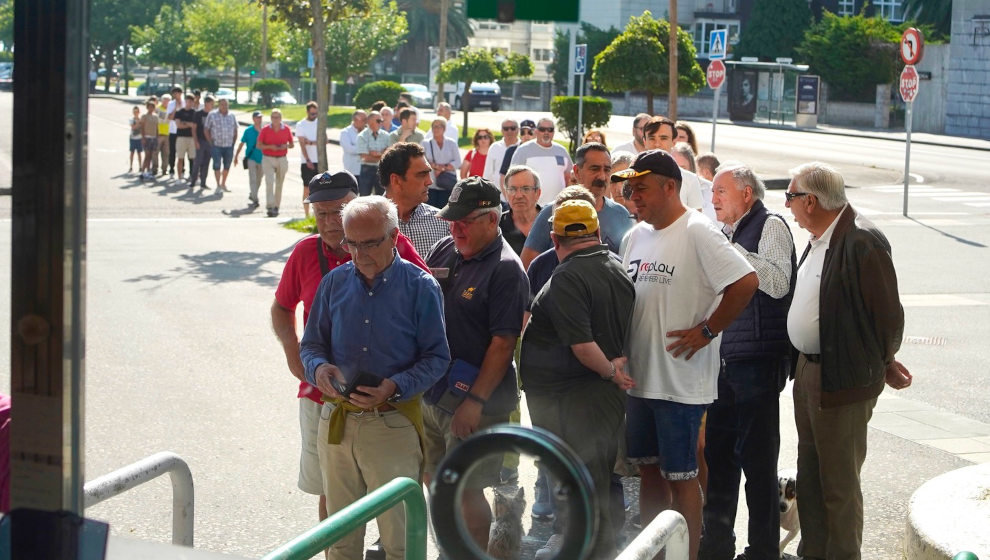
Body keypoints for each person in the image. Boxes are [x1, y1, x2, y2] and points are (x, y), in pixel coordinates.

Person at [273, 173, 431, 554]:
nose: (328, 221)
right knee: (334, 499)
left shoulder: (400, 255)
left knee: (395, 516)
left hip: (388, 408)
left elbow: (428, 328)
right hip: (324, 402)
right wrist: (302, 362)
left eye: (337, 211)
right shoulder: (307, 254)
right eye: (321, 212)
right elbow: (283, 309)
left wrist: (398, 384)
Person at [615, 150, 759, 560]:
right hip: (640, 380)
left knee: (682, 477)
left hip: (679, 384)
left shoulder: (698, 230)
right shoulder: (635, 236)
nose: (632, 196)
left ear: (669, 187)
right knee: (647, 471)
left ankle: (688, 556)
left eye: (640, 188)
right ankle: (655, 553)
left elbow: (745, 282)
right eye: (629, 188)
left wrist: (708, 330)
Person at [785, 162, 910, 560]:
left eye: (790, 197)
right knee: (810, 475)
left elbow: (888, 316)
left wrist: (885, 360)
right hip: (809, 369)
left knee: (838, 481)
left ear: (810, 201)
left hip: (842, 376)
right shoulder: (821, 235)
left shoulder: (862, 241)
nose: (787, 206)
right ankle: (814, 552)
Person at [521, 199, 636, 560]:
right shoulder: (614, 265)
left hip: (574, 402)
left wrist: (610, 371)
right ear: (598, 233)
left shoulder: (569, 275)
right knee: (594, 484)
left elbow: (584, 346)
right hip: (590, 399)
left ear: (554, 238)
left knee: (582, 489)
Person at [423, 177, 529, 552]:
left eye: (465, 220)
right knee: (435, 481)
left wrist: (475, 403)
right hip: (434, 393)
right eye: (452, 219)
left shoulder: (506, 269)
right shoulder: (443, 249)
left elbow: (503, 344)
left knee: (466, 489)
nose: (456, 228)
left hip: (476, 403)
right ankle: (452, 548)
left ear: (492, 219)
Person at [700, 164, 797, 560]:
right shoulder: (722, 232)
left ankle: (762, 552)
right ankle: (717, 547)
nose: (713, 199)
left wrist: (731, 253)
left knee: (758, 467)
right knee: (719, 462)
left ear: (746, 194)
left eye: (721, 191)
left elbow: (777, 283)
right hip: (722, 363)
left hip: (756, 362)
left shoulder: (770, 224)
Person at [519, 143, 632, 271]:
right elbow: (526, 268)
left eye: (607, 170)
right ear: (577, 171)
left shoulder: (621, 215)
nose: (602, 176)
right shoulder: (551, 213)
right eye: (594, 169)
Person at [380, 142, 449, 257]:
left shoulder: (442, 223)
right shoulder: (366, 222)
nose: (430, 182)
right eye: (422, 175)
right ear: (396, 181)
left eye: (428, 174)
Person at [642, 116, 706, 214]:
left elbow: (696, 221)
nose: (657, 144)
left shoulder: (690, 180)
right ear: (644, 141)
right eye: (652, 138)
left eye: (663, 138)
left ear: (674, 142)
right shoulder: (631, 176)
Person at [509, 117, 572, 206]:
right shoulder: (523, 150)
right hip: (531, 208)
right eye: (542, 129)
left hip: (558, 207)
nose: (546, 132)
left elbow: (569, 177)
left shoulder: (562, 151)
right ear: (536, 131)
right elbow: (512, 179)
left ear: (553, 132)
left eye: (550, 130)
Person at [258, 108, 294, 217]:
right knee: (269, 182)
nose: (275, 119)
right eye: (273, 117)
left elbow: (292, 144)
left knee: (279, 183)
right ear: (270, 118)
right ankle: (269, 206)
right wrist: (270, 147)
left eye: (277, 117)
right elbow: (259, 145)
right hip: (268, 157)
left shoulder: (286, 129)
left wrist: (285, 146)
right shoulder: (265, 129)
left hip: (282, 157)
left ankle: (276, 206)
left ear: (281, 118)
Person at [499, 165, 542, 256]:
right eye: (512, 189)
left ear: (537, 193)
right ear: (506, 194)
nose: (518, 196)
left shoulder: (552, 223)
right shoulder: (496, 227)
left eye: (526, 189)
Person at [671, 142, 717, 224]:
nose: (678, 172)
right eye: (674, 167)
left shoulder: (710, 189)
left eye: (683, 168)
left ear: (691, 166)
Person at [421, 117, 461, 209]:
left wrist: (442, 168)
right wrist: (436, 167)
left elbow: (458, 162)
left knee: (445, 213)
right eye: (434, 126)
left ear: (444, 129)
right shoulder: (425, 143)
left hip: (447, 184)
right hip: (430, 185)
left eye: (439, 126)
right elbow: (423, 161)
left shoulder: (452, 143)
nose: (436, 129)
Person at [204, 98, 238, 193]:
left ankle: (223, 183)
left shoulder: (232, 115)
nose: (224, 106)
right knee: (217, 165)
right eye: (222, 104)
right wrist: (210, 142)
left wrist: (233, 143)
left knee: (227, 165)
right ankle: (218, 185)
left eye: (226, 104)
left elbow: (235, 130)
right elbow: (206, 129)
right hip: (216, 145)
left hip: (228, 145)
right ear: (218, 105)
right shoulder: (212, 115)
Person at [296, 101, 323, 218]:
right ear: (307, 112)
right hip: (307, 161)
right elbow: (302, 143)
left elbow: (325, 140)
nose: (314, 116)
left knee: (321, 188)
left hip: (320, 160)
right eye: (312, 114)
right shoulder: (301, 125)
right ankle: (307, 215)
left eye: (316, 113)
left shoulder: (320, 123)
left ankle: (318, 214)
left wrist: (311, 142)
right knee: (307, 188)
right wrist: (307, 160)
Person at [234, 111, 264, 209]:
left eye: (260, 118)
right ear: (253, 119)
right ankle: (255, 199)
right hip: (251, 158)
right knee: (253, 179)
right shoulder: (248, 131)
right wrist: (236, 156)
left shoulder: (265, 130)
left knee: (259, 179)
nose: (259, 119)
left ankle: (253, 193)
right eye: (257, 117)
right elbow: (241, 143)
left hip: (263, 159)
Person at [356, 110, 390, 196]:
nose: (381, 123)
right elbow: (364, 157)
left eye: (381, 121)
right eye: (378, 121)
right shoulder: (362, 136)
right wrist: (382, 154)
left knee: (382, 198)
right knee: (364, 197)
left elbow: (389, 154)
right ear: (370, 122)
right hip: (366, 169)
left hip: (381, 170)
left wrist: (374, 154)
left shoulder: (386, 135)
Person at [498, 119, 535, 188]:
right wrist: (507, 197)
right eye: (523, 133)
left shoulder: (540, 151)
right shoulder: (511, 150)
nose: (526, 136)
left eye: (530, 132)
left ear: (536, 133)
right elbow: (503, 176)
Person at [189, 95, 214, 190]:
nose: (212, 105)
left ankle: (203, 182)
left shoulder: (213, 115)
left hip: (210, 142)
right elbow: (194, 129)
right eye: (211, 103)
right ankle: (193, 181)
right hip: (200, 140)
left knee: (206, 162)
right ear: (206, 103)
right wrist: (195, 141)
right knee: (197, 162)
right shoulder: (198, 114)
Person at [484, 119, 518, 187]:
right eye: (506, 129)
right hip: (497, 192)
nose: (509, 131)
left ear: (518, 130)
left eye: (513, 128)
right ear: (501, 131)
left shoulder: (522, 147)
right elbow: (488, 172)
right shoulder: (494, 147)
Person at [173, 93, 198, 183]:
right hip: (181, 137)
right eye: (188, 101)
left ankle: (194, 177)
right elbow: (178, 125)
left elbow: (195, 126)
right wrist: (188, 124)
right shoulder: (179, 112)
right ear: (185, 101)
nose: (189, 103)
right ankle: (179, 177)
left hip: (192, 138)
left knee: (193, 158)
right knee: (180, 158)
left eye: (191, 101)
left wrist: (185, 123)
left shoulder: (195, 113)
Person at [609, 151, 638, 219]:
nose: (619, 189)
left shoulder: (650, 214)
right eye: (613, 182)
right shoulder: (602, 216)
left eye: (624, 180)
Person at [340, 110, 367, 177]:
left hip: (366, 171)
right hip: (352, 171)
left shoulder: (368, 132)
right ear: (355, 120)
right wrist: (366, 150)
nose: (366, 122)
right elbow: (349, 149)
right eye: (364, 120)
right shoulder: (345, 132)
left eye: (366, 119)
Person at [139, 100, 159, 180]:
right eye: (149, 107)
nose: (151, 108)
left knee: (151, 155)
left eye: (152, 107)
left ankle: (148, 171)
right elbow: (142, 127)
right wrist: (143, 137)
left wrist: (157, 137)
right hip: (147, 137)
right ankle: (143, 171)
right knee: (147, 155)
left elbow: (157, 127)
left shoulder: (156, 116)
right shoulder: (144, 116)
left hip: (153, 137)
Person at [166, 86, 182, 178]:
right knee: (172, 152)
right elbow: (170, 117)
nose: (177, 95)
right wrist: (176, 108)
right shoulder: (171, 104)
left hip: (182, 131)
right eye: (175, 93)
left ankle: (182, 170)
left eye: (178, 93)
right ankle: (171, 169)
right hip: (173, 131)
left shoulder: (185, 103)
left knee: (182, 152)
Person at [155, 95, 171, 177]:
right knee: (156, 152)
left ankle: (164, 169)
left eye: (168, 100)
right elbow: (162, 121)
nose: (166, 102)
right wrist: (169, 117)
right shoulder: (158, 108)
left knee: (166, 153)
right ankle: (155, 169)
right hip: (159, 133)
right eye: (165, 100)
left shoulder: (169, 109)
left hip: (167, 134)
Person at [128, 105, 142, 173]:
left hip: (139, 138)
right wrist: (138, 123)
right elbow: (133, 127)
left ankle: (140, 166)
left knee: (139, 153)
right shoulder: (131, 119)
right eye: (134, 111)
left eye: (137, 111)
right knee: (132, 152)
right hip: (133, 137)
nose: (136, 113)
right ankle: (131, 166)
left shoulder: (141, 119)